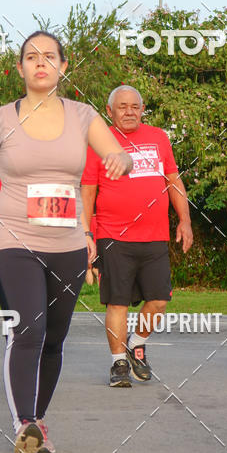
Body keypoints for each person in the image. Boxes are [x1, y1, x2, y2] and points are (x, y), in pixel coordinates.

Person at [0, 31, 132, 453]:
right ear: (19, 68)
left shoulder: (82, 115)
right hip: (13, 241)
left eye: (49, 56)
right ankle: (23, 425)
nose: (41, 63)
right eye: (31, 57)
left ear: (63, 66)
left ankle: (38, 422)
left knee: (55, 339)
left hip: (69, 245)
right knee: (29, 331)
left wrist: (121, 160)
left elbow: (117, 152)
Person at [81, 86, 193, 387]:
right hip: (113, 235)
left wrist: (185, 220)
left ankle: (137, 342)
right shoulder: (98, 142)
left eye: (134, 106)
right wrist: (87, 232)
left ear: (142, 110)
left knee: (159, 301)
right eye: (122, 107)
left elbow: (173, 180)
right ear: (110, 110)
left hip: (156, 235)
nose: (129, 111)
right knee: (117, 303)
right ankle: (118, 364)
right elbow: (88, 190)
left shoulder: (158, 138)